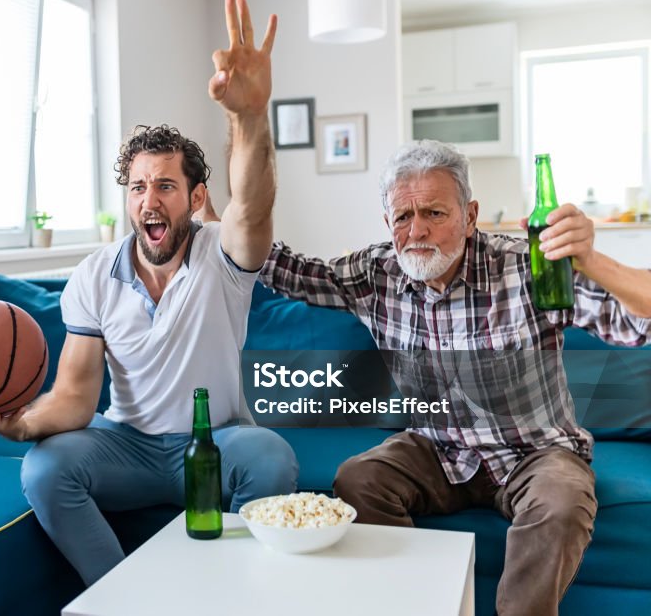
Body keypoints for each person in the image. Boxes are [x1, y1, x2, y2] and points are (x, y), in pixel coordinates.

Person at [0, 0, 298, 586]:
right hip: (127, 445)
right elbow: (77, 397)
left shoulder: (222, 252)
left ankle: (227, 592)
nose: (149, 199)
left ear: (195, 198)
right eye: (138, 187)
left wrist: (250, 115)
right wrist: (23, 424)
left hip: (213, 446)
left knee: (272, 459)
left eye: (166, 185)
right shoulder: (93, 275)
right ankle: (123, 596)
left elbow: (255, 205)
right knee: (43, 470)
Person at [257, 139, 651, 616]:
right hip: (437, 449)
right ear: (388, 223)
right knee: (358, 479)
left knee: (561, 503)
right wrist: (217, 220)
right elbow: (284, 270)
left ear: (470, 216)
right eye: (403, 217)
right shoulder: (375, 272)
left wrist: (590, 260)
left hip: (535, 451)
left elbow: (637, 323)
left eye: (435, 213)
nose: (417, 230)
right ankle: (417, 604)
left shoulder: (525, 267)